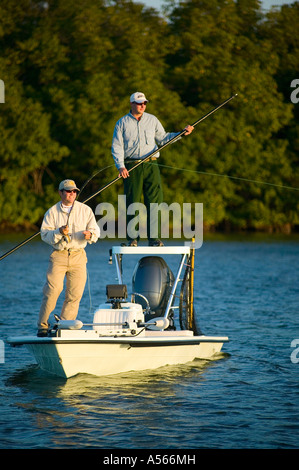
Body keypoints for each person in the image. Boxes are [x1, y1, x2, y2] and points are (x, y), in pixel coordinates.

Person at [111, 92, 194, 247]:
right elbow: (117, 146)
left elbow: (164, 138)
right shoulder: (121, 123)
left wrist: (182, 133)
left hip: (151, 164)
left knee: (154, 201)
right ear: (131, 103)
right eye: (139, 103)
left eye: (144, 103)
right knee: (132, 201)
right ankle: (132, 239)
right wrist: (120, 166)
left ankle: (154, 239)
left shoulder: (152, 120)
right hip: (131, 166)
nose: (142, 105)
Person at [37, 179, 101, 337]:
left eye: (74, 191)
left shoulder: (85, 210)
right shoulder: (52, 212)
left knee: (75, 294)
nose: (71, 194)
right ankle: (42, 326)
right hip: (58, 255)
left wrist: (90, 234)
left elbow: (96, 232)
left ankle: (64, 326)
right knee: (52, 291)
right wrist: (58, 232)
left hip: (79, 256)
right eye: (67, 191)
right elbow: (44, 235)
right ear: (60, 193)